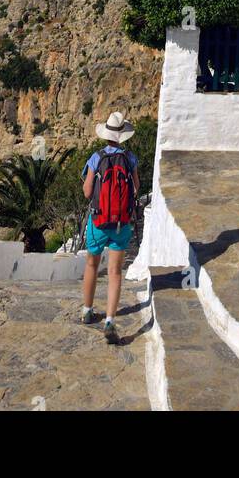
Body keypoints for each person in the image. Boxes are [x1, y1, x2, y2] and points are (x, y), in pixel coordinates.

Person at [80, 111, 139, 343]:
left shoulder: (96, 158)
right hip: (121, 224)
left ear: (106, 135)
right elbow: (136, 189)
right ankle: (110, 320)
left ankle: (87, 311)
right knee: (115, 271)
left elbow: (86, 192)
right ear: (123, 135)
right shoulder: (130, 159)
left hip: (98, 220)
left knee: (92, 265)